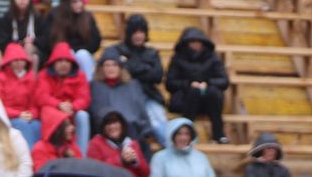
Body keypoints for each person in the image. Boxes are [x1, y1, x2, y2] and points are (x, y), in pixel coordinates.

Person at [102, 14, 169, 146]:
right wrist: (145, 68)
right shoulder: (116, 50)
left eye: (142, 32)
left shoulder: (152, 53)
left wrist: (130, 65)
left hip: (149, 96)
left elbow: (157, 76)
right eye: (135, 32)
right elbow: (113, 72)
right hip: (124, 97)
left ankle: (173, 150)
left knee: (158, 122)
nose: (139, 36)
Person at [165, 28, 229, 144]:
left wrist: (208, 83)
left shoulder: (213, 57)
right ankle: (186, 134)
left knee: (214, 93)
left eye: (198, 41)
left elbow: (224, 81)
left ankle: (218, 134)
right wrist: (188, 84)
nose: (196, 44)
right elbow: (170, 83)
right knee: (193, 92)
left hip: (208, 99)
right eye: (192, 42)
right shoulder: (178, 58)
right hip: (184, 99)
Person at [0, 43, 44, 150]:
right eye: (15, 60)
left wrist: (32, 114)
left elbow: (36, 102)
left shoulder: (31, 78)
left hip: (27, 116)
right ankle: (29, 156)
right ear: (9, 62)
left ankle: (39, 155)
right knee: (22, 125)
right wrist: (18, 114)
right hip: (5, 118)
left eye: (21, 60)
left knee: (37, 125)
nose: (19, 63)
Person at [89, 56, 153, 154]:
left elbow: (141, 109)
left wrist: (146, 127)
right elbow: (94, 112)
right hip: (105, 131)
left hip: (132, 131)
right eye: (107, 65)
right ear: (101, 68)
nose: (111, 68)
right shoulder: (95, 86)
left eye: (114, 65)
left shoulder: (132, 85)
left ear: (120, 68)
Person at [35, 44, 92, 152]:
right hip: (52, 113)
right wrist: (58, 105)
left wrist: (72, 107)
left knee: (83, 116)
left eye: (67, 61)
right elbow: (41, 96)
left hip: (72, 112)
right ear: (54, 62)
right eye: (60, 61)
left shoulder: (80, 76)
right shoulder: (44, 75)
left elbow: (84, 98)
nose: (63, 64)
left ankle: (81, 154)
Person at [35, 0, 101, 78]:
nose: (79, 4)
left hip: (83, 53)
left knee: (82, 55)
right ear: (66, 3)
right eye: (75, 2)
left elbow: (95, 42)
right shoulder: (54, 15)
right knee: (68, 54)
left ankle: (89, 85)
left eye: (80, 1)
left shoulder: (87, 17)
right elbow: (46, 40)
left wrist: (77, 50)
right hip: (59, 54)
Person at [0, 0, 39, 69]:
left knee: (33, 54)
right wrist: (19, 44)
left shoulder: (36, 17)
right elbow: (2, 40)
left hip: (32, 47)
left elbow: (44, 39)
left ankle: (27, 79)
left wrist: (33, 40)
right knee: (29, 57)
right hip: (11, 48)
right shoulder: (7, 17)